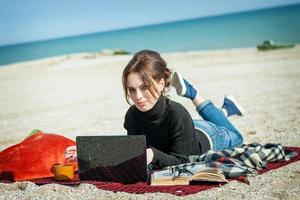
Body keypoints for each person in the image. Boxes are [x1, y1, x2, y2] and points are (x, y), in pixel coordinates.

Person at [122, 50, 245, 169]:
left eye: (144, 87)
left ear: (161, 83)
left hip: (209, 136)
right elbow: (136, 154)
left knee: (237, 138)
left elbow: (181, 161)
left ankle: (194, 94)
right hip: (184, 128)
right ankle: (226, 109)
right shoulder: (132, 115)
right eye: (132, 90)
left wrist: (153, 155)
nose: (138, 97)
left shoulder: (177, 113)